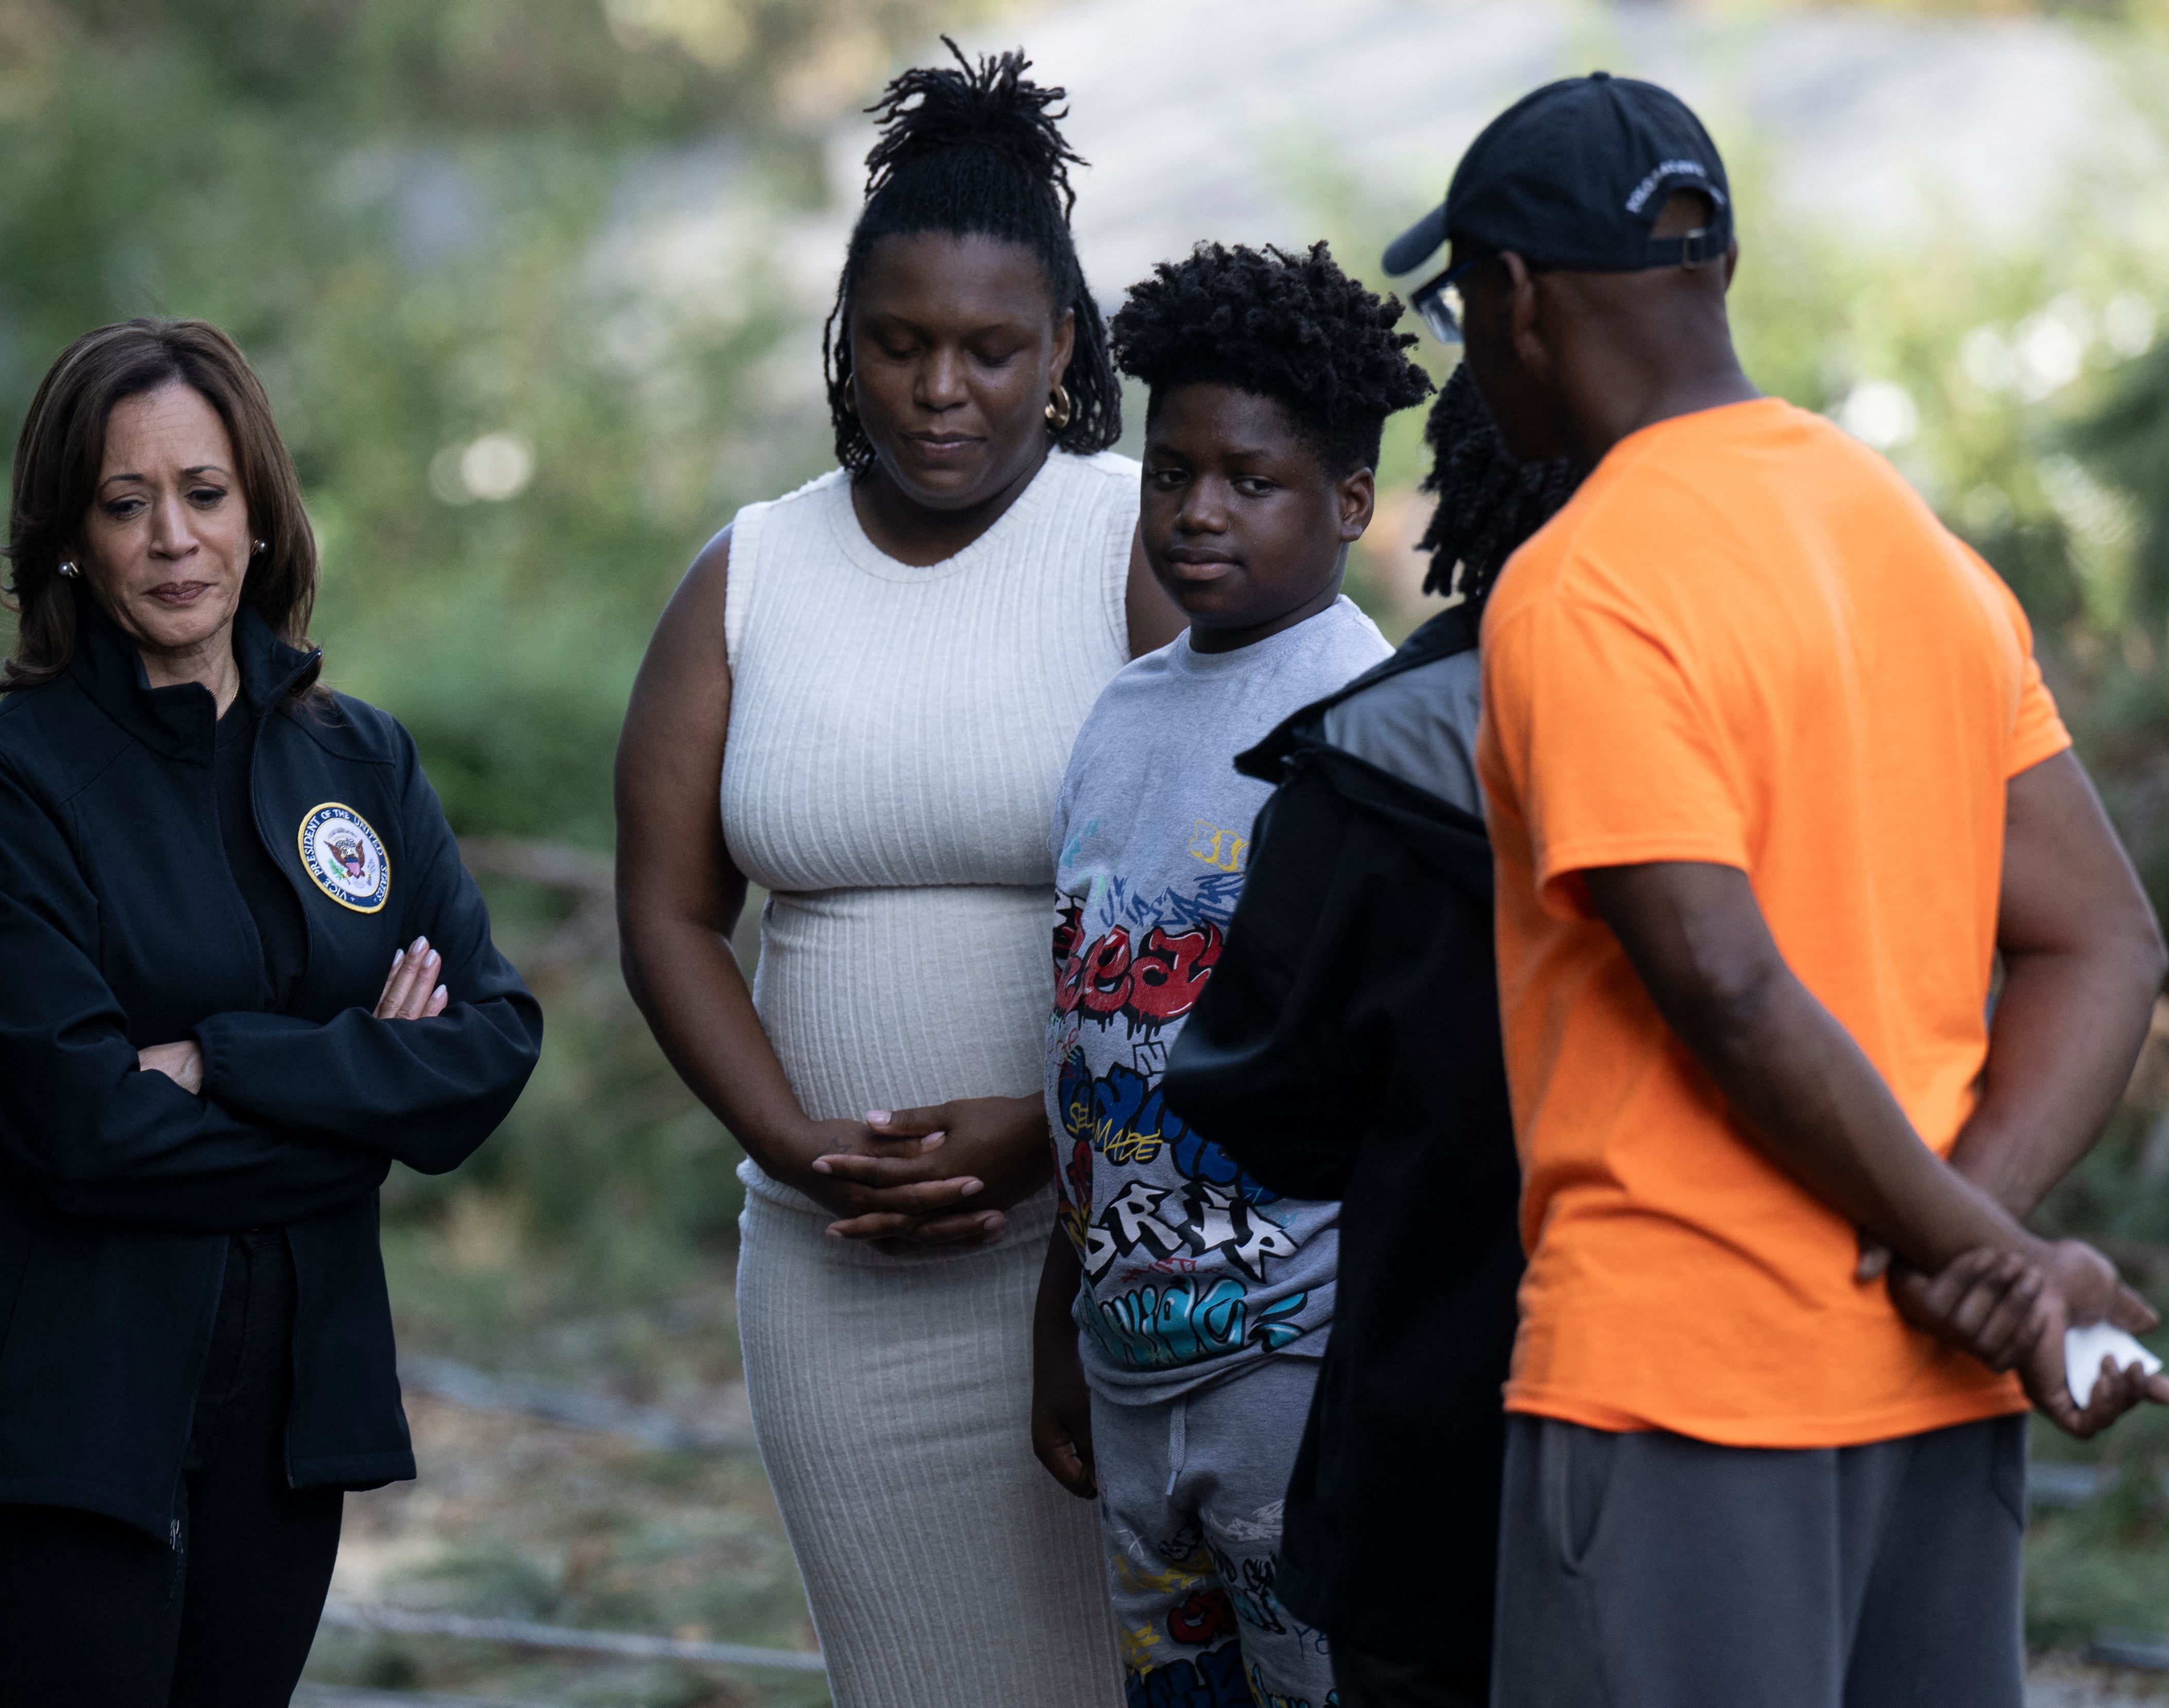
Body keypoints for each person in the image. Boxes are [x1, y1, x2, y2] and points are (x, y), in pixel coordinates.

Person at [1384, 74, 2169, 1704]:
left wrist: (1972, 1250)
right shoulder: (1915, 550)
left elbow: (1727, 984)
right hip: (1931, 1395)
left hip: (1684, 1390)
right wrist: (1986, 1246)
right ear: (1715, 271)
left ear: (1517, 299)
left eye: (1464, 305)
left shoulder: (1588, 586)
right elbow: (2107, 940)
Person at [612, 44, 1181, 1707]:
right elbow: (666, 910)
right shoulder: (755, 570)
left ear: (1065, 346)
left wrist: (1058, 1138)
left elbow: (1265, 867)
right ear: (845, 345)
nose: (944, 388)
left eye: (994, 350)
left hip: (1101, 1255)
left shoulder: (1144, 539)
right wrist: (793, 1143)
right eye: (903, 344)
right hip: (830, 1276)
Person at [0, 316, 543, 1706]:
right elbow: (79, 1130)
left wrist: (220, 1061)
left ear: (260, 514)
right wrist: (361, 1095)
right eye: (127, 504)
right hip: (58, 1411)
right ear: (72, 534)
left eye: (205, 494)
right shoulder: (6, 789)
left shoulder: (357, 757)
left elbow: (487, 1047)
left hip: (283, 1414)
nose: (174, 538)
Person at [1029, 240, 1428, 1708]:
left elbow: (1413, 1086)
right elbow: (1081, 1037)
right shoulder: (1122, 718)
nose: (1196, 513)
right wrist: (1062, 1315)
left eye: (1248, 482)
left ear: (1348, 502)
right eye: (1169, 471)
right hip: (1128, 1359)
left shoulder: (1375, 728)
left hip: (1299, 1363)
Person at [1159, 367, 1576, 1708]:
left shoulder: (1363, 765)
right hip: (1710, 1420)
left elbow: (1265, 1098)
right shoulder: (1760, 724)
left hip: (1430, 1417)